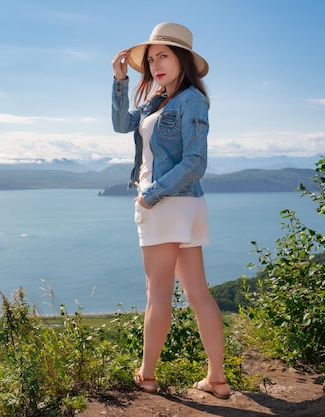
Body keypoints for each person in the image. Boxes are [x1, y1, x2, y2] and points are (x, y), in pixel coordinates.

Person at [111, 22, 231, 399]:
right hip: (184, 206)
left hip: (166, 203)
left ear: (183, 58)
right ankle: (217, 380)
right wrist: (120, 82)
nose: (155, 64)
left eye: (163, 55)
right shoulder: (157, 99)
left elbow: (196, 162)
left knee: (157, 293)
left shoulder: (191, 99)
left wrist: (152, 196)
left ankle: (146, 376)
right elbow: (120, 125)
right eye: (150, 59)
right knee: (197, 293)